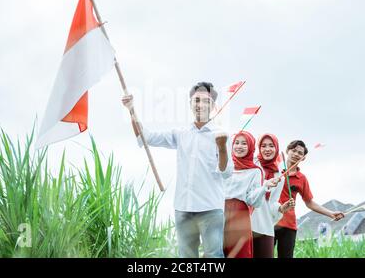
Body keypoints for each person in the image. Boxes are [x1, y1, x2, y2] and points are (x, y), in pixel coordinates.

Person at [121, 82, 233, 258]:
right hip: (183, 207)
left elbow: (226, 173)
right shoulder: (181, 133)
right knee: (186, 257)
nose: (200, 105)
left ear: (212, 106)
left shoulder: (221, 135)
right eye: (196, 100)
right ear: (190, 104)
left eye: (206, 101)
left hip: (211, 208)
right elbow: (146, 137)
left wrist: (222, 148)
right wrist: (131, 110)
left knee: (214, 256)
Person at [274, 140, 345, 258]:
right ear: (287, 151)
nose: (296, 154)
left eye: (300, 153)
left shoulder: (301, 179)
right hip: (270, 222)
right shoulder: (275, 170)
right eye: (294, 150)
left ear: (303, 158)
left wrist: (331, 213)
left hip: (289, 225)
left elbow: (309, 202)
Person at [223, 131, 279, 258]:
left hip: (239, 214)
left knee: (238, 253)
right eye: (236, 143)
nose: (239, 146)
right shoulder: (226, 166)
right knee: (215, 252)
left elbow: (253, 200)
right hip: (220, 212)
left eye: (244, 143)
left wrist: (265, 187)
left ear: (251, 147)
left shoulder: (255, 171)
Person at [251, 133, 295, 258]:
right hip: (246, 223)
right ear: (258, 147)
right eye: (263, 145)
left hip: (265, 225)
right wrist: (265, 185)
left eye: (271, 145)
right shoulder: (252, 165)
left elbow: (272, 202)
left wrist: (281, 208)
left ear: (276, 148)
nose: (267, 149)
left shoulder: (279, 174)